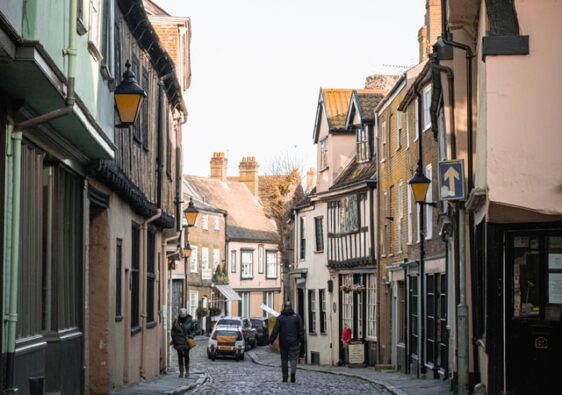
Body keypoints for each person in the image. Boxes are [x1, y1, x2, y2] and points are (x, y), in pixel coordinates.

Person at [269, 301, 304, 383]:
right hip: (294, 342)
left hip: (283, 343)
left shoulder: (280, 318)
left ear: (284, 307)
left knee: (284, 360)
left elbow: (275, 330)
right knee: (294, 359)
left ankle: (285, 377)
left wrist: (271, 340)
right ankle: (292, 374)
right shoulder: (297, 317)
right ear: (291, 307)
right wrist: (301, 340)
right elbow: (301, 330)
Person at [170, 308, 194, 378]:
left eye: (184, 315)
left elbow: (193, 331)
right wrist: (174, 338)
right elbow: (173, 330)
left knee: (186, 356)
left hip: (186, 341)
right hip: (178, 341)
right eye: (181, 315)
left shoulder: (190, 321)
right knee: (180, 357)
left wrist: (191, 336)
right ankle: (181, 372)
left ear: (186, 314)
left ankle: (187, 372)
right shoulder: (176, 321)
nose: (182, 316)